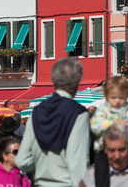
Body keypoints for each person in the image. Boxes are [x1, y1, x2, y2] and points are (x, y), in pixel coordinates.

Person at [15, 57, 90, 187]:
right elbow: (78, 164)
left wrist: (42, 164)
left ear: (54, 81)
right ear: (77, 82)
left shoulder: (36, 112)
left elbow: (22, 161)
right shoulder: (79, 114)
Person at [90, 76, 128, 187]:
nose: (117, 101)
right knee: (101, 175)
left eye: (121, 97)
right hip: (104, 149)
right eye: (113, 97)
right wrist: (113, 123)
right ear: (106, 96)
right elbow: (95, 127)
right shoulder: (103, 109)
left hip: (126, 149)